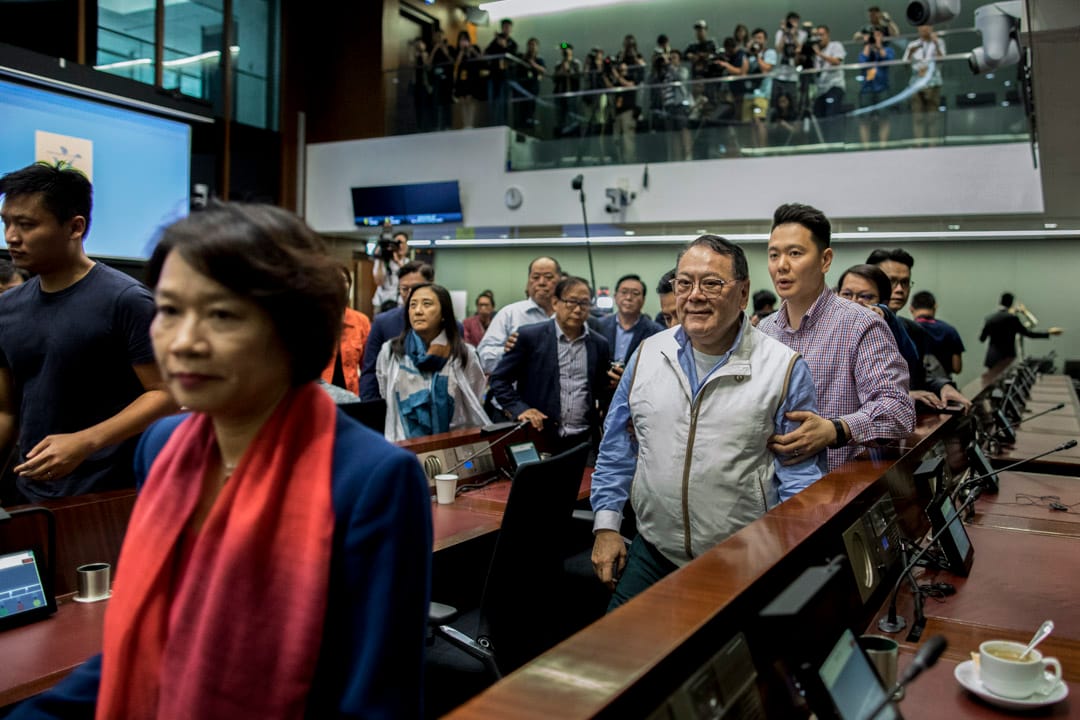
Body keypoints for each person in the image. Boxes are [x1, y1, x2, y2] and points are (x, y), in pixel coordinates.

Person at [6, 203, 431, 718]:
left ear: (292, 330)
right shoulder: (162, 446)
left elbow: (376, 701)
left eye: (222, 315)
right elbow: (146, 641)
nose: (184, 343)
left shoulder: (373, 479)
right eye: (169, 311)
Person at [590, 235, 824, 608]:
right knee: (618, 659)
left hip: (742, 562)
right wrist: (606, 526)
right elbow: (618, 447)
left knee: (722, 665)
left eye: (712, 283)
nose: (694, 295)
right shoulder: (649, 353)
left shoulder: (783, 368)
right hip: (653, 554)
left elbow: (799, 480)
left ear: (743, 292)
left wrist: (792, 559)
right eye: (685, 283)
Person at [0, 163, 177, 502]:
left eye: (27, 224)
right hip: (32, 493)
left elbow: (167, 393)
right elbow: (6, 411)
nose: (11, 236)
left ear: (75, 227)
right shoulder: (7, 308)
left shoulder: (125, 300)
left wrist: (86, 440)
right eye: (6, 222)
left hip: (109, 493)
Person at [757, 203, 915, 469]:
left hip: (830, 493)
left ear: (825, 260)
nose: (781, 265)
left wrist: (835, 430)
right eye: (774, 255)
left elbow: (898, 409)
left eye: (795, 253)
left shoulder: (860, 325)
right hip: (770, 490)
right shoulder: (764, 330)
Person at [489, 276, 611, 455]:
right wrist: (521, 409)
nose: (578, 309)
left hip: (583, 440)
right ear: (555, 303)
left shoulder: (599, 344)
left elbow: (601, 389)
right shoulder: (530, 337)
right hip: (539, 435)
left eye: (584, 303)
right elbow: (499, 380)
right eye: (571, 302)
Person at [376, 283, 488, 441]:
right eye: (413, 305)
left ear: (444, 313)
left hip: (452, 442)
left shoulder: (463, 353)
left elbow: (473, 395)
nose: (418, 311)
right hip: (403, 443)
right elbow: (385, 391)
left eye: (426, 304)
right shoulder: (391, 352)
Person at [866, 248, 969, 409]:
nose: (899, 289)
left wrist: (943, 386)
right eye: (891, 281)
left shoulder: (913, 329)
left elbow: (919, 377)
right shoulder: (851, 327)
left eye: (905, 282)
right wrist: (904, 395)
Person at [360, 260, 435, 401]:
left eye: (415, 288)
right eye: (404, 289)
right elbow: (370, 372)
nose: (409, 294)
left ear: (431, 286)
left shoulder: (450, 326)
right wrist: (370, 410)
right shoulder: (383, 323)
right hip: (393, 405)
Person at [477, 256, 560, 373]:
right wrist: (508, 351)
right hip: (517, 389)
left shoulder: (569, 316)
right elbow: (482, 358)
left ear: (560, 280)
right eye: (535, 277)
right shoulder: (509, 314)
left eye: (548, 277)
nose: (541, 282)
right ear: (528, 281)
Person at [596, 274, 662, 384]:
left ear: (643, 300)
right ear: (615, 296)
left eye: (635, 294)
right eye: (624, 292)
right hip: (603, 392)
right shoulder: (599, 326)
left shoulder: (655, 332)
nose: (628, 298)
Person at [979, 292, 1063, 371]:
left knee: (992, 382)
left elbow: (982, 339)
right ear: (1011, 303)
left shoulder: (989, 318)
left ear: (1000, 302)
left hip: (992, 358)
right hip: (1007, 358)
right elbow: (1029, 334)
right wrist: (1048, 332)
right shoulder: (1012, 318)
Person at [320, 266, 370, 397]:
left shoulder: (361, 321)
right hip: (320, 396)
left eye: (343, 281)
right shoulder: (313, 319)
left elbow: (368, 367)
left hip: (351, 396)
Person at [904, 25, 946, 146]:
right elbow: (905, 64)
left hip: (933, 82)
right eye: (922, 26)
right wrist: (910, 53)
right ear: (918, 28)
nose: (924, 29)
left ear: (932, 28)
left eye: (927, 26)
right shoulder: (912, 45)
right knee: (918, 116)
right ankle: (918, 144)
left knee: (932, 115)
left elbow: (942, 59)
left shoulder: (939, 42)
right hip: (916, 83)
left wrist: (936, 44)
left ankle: (933, 144)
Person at [910, 290, 965, 377]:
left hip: (914, 388)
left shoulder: (906, 329)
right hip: (944, 387)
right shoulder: (950, 330)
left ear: (911, 309)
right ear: (935, 306)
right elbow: (957, 368)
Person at [858, 27, 895, 148]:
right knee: (865, 119)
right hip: (866, 89)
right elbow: (862, 62)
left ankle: (883, 145)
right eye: (873, 35)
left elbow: (888, 60)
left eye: (878, 35)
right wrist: (868, 44)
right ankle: (865, 147)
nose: (875, 37)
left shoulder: (888, 50)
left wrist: (879, 47)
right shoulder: (865, 50)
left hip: (882, 88)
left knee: (884, 118)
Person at [811, 25, 847, 142]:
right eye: (817, 35)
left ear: (828, 35)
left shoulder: (836, 45)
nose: (819, 38)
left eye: (821, 35)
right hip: (820, 90)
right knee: (819, 116)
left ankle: (834, 142)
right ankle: (824, 143)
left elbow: (837, 61)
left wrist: (819, 54)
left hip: (834, 86)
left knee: (832, 115)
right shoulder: (814, 52)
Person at [745, 28, 777, 147]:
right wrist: (748, 53)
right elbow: (743, 71)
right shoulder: (750, 55)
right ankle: (753, 148)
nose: (757, 41)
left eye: (760, 38)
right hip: (749, 94)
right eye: (755, 38)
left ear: (765, 40)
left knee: (759, 120)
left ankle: (762, 148)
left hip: (762, 94)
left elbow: (766, 69)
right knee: (750, 123)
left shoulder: (770, 53)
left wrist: (757, 55)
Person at [371, 229, 409, 308]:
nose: (400, 246)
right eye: (397, 243)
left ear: (406, 246)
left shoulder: (407, 262)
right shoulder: (382, 261)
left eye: (402, 243)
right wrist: (381, 259)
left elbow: (409, 278)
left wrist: (397, 261)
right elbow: (378, 281)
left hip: (400, 303)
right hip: (381, 301)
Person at [453, 30, 482, 129]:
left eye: (465, 39)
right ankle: (465, 123)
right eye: (461, 40)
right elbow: (456, 64)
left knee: (470, 99)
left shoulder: (474, 48)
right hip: (461, 79)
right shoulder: (457, 51)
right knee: (462, 100)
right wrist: (461, 51)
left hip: (472, 77)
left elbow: (480, 59)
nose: (463, 42)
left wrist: (471, 50)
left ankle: (471, 123)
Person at [553, 42, 583, 136]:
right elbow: (554, 78)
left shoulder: (576, 63)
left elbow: (578, 76)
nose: (564, 52)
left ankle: (573, 130)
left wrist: (569, 70)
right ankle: (561, 131)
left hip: (572, 93)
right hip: (560, 94)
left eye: (566, 49)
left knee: (573, 114)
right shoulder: (558, 64)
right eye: (563, 50)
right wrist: (562, 70)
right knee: (560, 116)